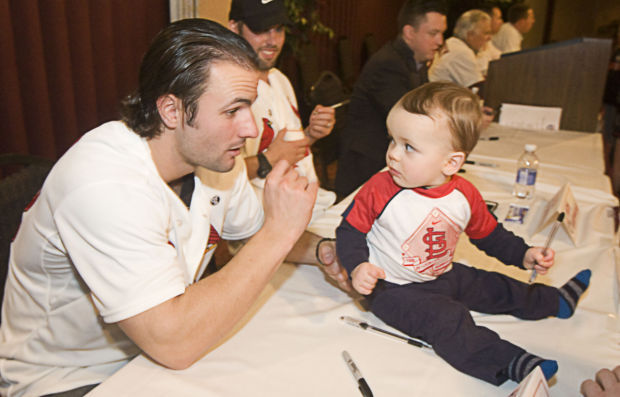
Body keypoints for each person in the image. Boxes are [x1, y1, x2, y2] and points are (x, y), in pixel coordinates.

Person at [0, 19, 320, 397]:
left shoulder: (216, 159)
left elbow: (254, 231)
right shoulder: (104, 183)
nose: (251, 129)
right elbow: (175, 343)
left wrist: (324, 251)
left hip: (149, 355)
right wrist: (278, 234)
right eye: (233, 110)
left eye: (248, 107)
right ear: (171, 110)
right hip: (70, 377)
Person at [335, 81, 592, 385]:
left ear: (451, 162)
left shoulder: (465, 194)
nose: (392, 154)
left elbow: (490, 235)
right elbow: (349, 231)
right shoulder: (380, 188)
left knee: (489, 283)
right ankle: (509, 361)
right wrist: (358, 266)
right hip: (392, 289)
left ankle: (554, 301)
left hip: (440, 274)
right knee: (448, 321)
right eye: (392, 141)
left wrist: (524, 254)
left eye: (408, 147)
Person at [227, 0, 348, 288]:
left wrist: (311, 135)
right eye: (260, 29)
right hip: (266, 229)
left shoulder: (279, 80)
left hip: (314, 209)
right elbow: (212, 179)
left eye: (278, 29)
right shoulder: (227, 90)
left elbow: (285, 145)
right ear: (234, 28)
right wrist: (269, 160)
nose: (272, 40)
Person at [335, 0, 448, 200]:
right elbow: (413, 121)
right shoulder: (389, 65)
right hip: (367, 169)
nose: (440, 41)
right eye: (433, 33)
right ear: (409, 33)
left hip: (391, 159)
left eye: (442, 33)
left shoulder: (414, 61)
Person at [429, 9, 492, 89]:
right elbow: (478, 89)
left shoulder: (454, 44)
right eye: (486, 33)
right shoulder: (461, 52)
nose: (489, 38)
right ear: (470, 35)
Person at [477, 5, 503, 76]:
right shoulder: (478, 41)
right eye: (499, 18)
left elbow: (500, 57)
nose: (501, 22)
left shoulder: (489, 42)